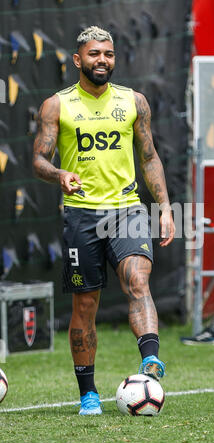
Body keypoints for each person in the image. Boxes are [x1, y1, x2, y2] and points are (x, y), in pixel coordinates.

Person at [32, 26, 175, 415]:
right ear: (79, 60)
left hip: (126, 210)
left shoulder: (134, 102)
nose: (103, 60)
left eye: (109, 54)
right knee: (85, 304)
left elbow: (148, 157)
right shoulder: (56, 106)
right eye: (95, 54)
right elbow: (39, 159)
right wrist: (60, 174)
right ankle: (88, 392)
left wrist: (163, 207)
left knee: (138, 281)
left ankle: (150, 360)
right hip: (81, 216)